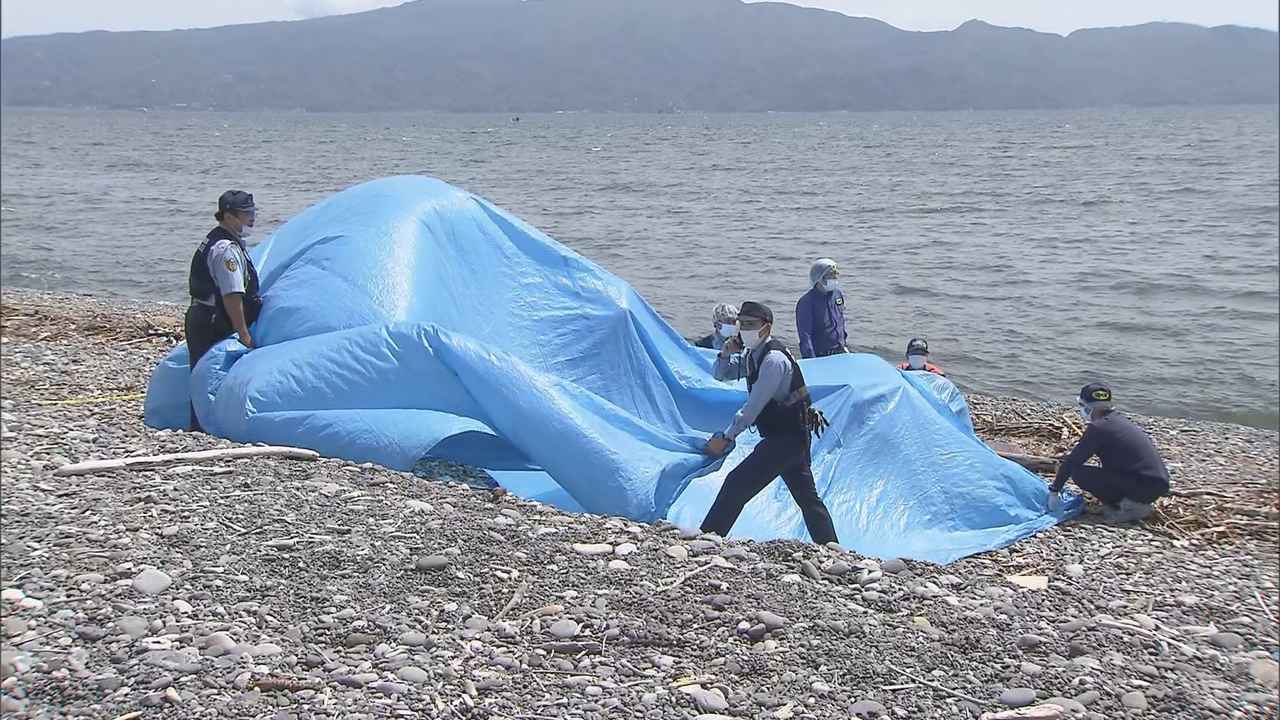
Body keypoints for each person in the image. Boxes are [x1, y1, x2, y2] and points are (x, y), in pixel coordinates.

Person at [701, 301, 839, 545]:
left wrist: (728, 436)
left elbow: (753, 407)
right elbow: (721, 374)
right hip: (789, 438)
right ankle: (832, 547)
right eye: (741, 325)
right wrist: (725, 353)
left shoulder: (773, 360)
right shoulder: (753, 355)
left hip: (785, 439)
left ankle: (707, 539)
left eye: (751, 325)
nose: (744, 330)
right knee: (807, 499)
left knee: (736, 484)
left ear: (766, 328)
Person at [185, 190, 263, 430]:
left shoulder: (219, 241)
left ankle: (203, 425)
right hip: (212, 321)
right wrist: (243, 332)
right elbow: (231, 295)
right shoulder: (225, 250)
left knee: (204, 373)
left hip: (205, 316)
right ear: (229, 216)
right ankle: (202, 428)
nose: (251, 218)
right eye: (245, 214)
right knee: (209, 375)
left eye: (252, 212)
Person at [1048, 383, 1171, 522]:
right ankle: (1130, 501)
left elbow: (1073, 461)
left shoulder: (1098, 428)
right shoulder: (1117, 420)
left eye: (1081, 406)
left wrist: (1054, 491)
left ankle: (1130, 507)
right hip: (1155, 483)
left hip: (1143, 487)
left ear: (1088, 407)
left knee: (1079, 473)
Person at [796, 258, 848, 359]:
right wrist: (811, 361)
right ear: (819, 278)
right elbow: (805, 336)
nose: (834, 279)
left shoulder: (837, 295)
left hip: (840, 351)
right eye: (830, 276)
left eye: (835, 275)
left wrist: (844, 344)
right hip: (820, 355)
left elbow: (840, 321)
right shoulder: (807, 302)